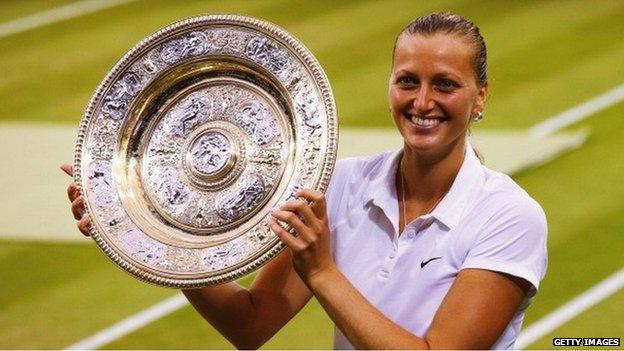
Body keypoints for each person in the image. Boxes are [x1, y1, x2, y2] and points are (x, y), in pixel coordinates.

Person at [62, 12, 547, 349]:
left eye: (445, 83)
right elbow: (251, 324)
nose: (422, 102)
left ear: (479, 96)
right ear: (390, 86)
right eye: (407, 81)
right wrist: (149, 230)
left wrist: (322, 271)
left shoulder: (508, 216)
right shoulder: (337, 186)